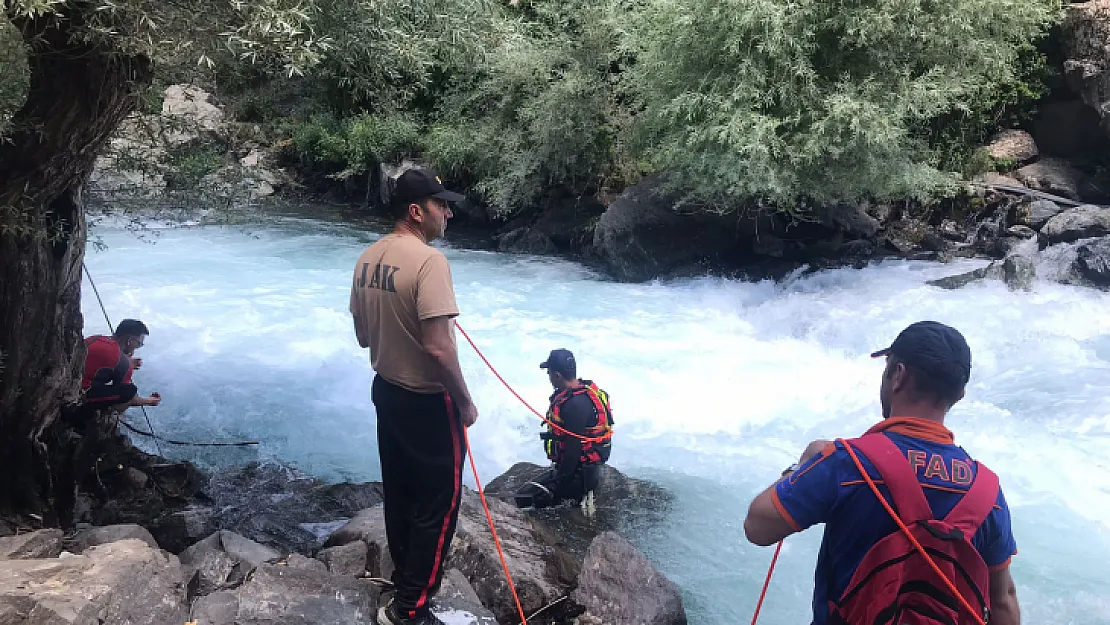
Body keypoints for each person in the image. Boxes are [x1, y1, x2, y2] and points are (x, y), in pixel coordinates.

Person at [743, 321, 1021, 625]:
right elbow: (1003, 600)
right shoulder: (987, 490)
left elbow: (757, 527)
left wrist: (803, 467)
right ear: (960, 394)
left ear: (897, 375)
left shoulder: (846, 463)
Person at [349, 167, 479, 625]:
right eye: (440, 204)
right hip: (428, 401)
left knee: (400, 493)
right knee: (438, 506)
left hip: (386, 392)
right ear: (416, 211)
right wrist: (464, 402)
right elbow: (439, 348)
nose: (447, 211)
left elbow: (364, 336)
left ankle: (403, 582)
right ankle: (411, 608)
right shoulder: (430, 263)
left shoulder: (367, 258)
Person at [514, 348, 613, 510]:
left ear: (557, 375)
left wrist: (556, 486)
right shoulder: (588, 392)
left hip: (580, 476)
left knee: (523, 499)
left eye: (549, 373)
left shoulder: (574, 406)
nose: (549, 377)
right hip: (590, 468)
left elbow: (573, 454)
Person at [80, 319, 161, 416]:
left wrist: (126, 361)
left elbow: (105, 359)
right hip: (80, 395)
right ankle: (97, 417)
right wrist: (150, 401)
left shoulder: (96, 338)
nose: (138, 347)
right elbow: (130, 398)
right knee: (129, 390)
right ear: (130, 341)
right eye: (139, 344)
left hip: (69, 382)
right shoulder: (123, 362)